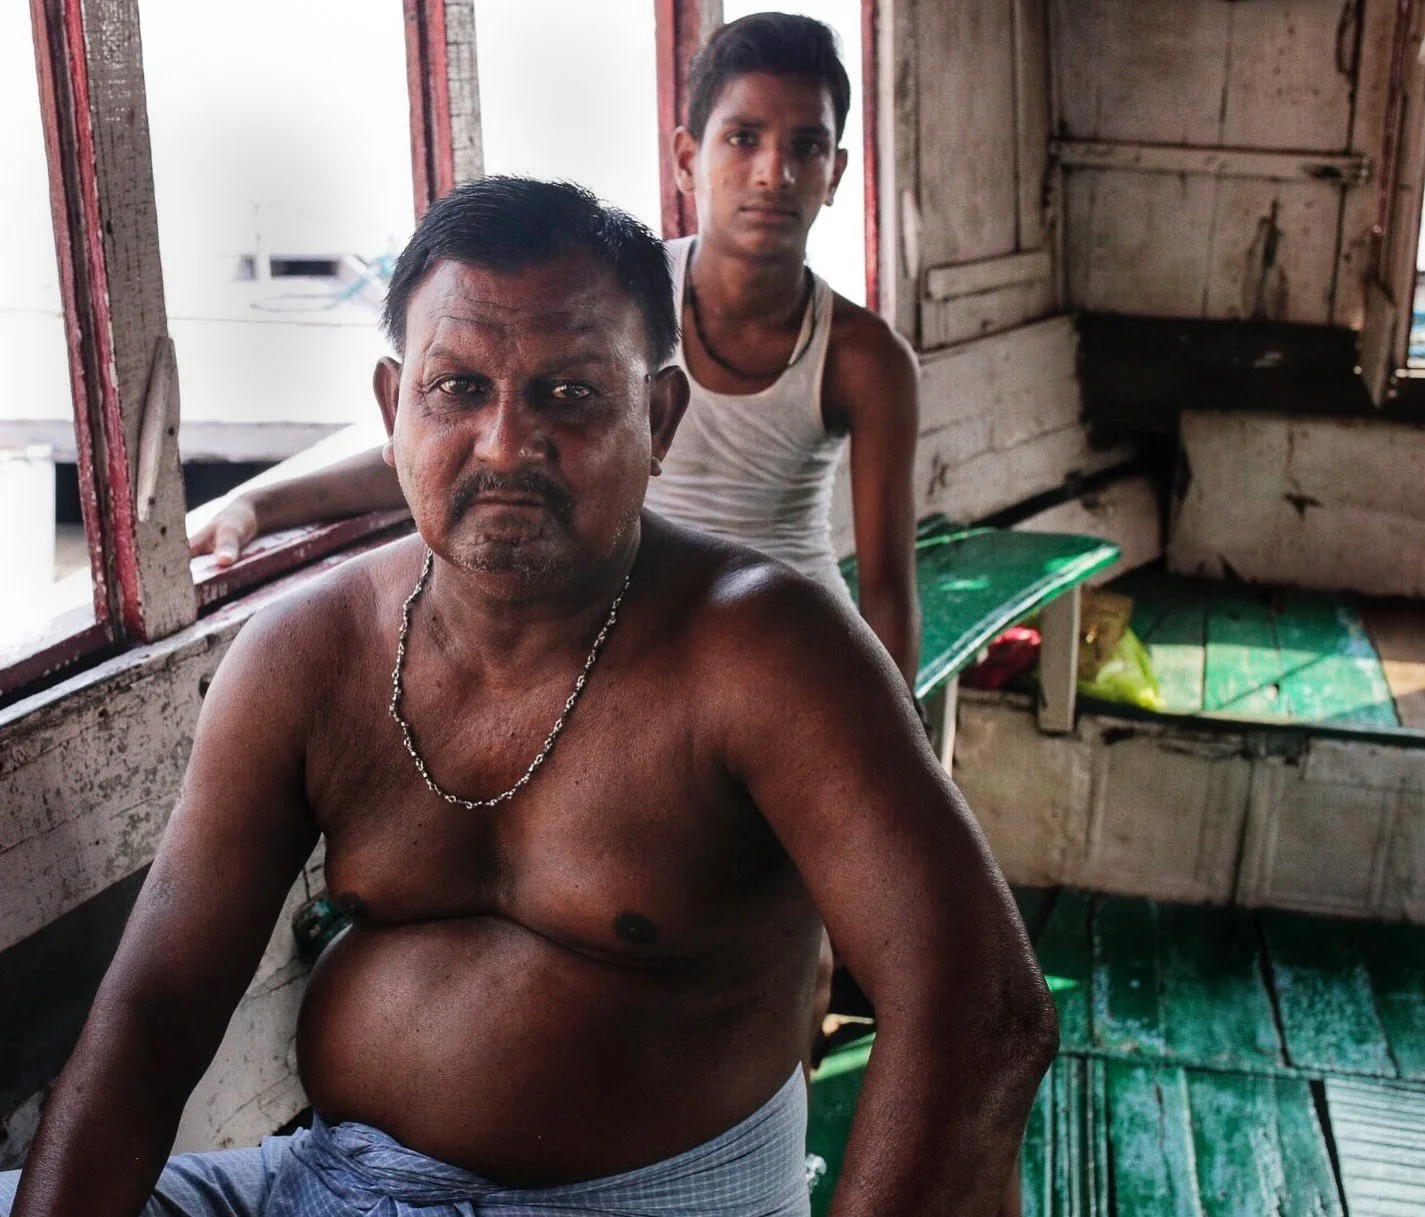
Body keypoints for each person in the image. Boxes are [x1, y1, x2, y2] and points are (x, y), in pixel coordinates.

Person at [3, 179, 1055, 1216]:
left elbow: (983, 1018)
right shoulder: (306, 654)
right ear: (392, 406)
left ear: (660, 416)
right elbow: (150, 1020)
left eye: (570, 393)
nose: (506, 443)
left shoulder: (766, 653)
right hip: (329, 1180)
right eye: (457, 388)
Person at [190, 13, 922, 687]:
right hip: (628, 625)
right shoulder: (606, 306)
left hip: (785, 646)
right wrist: (257, 500)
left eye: (806, 145)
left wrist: (898, 721)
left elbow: (887, 586)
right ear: (685, 157)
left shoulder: (863, 357)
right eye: (743, 137)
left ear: (836, 171)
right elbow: (456, 442)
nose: (773, 172)